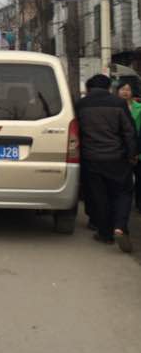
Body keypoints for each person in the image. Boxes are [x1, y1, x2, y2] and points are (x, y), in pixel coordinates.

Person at [77, 74, 137, 248]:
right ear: (109, 87)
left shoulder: (81, 104)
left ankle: (104, 234)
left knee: (100, 196)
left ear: (89, 88)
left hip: (91, 158)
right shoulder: (118, 103)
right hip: (117, 158)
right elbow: (129, 131)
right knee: (123, 193)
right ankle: (120, 227)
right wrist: (132, 154)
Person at [116, 79, 141, 212]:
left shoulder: (139, 108)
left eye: (128, 89)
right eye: (123, 89)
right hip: (119, 148)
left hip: (138, 147)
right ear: (117, 91)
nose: (125, 92)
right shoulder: (114, 107)